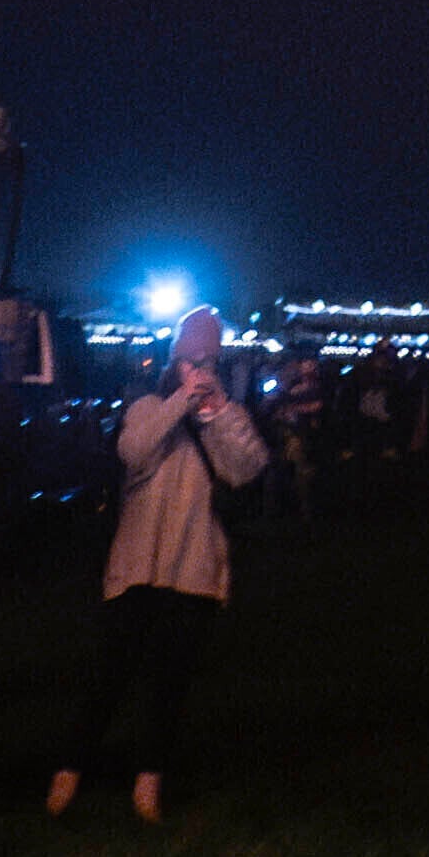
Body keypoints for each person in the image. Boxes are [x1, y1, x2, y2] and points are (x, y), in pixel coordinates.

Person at [55, 305, 269, 824]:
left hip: (195, 568)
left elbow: (246, 468)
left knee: (169, 682)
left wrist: (216, 413)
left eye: (208, 360)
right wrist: (181, 401)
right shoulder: (148, 405)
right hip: (137, 565)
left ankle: (148, 781)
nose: (200, 369)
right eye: (191, 358)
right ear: (173, 359)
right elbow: (134, 451)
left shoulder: (227, 414)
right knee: (108, 674)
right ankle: (70, 770)